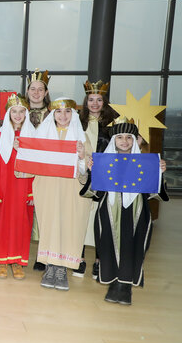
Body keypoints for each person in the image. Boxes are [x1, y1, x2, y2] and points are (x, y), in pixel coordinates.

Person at [82, 119, 168, 305]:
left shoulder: (146, 162)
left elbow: (156, 192)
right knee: (107, 245)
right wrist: (93, 172)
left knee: (132, 247)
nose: (124, 141)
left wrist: (159, 172)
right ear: (113, 140)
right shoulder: (104, 161)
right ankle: (113, 283)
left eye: (129, 137)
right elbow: (95, 193)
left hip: (136, 211)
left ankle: (125, 286)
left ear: (136, 140)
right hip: (109, 210)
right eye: (119, 137)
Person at [27, 97, 91, 291]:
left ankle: (62, 268)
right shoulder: (43, 134)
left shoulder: (83, 137)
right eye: (59, 112)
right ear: (53, 114)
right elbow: (31, 161)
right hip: (48, 188)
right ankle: (50, 266)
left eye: (68, 112)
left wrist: (82, 157)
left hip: (72, 191)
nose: (63, 116)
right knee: (51, 225)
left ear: (74, 114)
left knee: (68, 224)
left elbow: (86, 171)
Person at [0, 94, 35, 280]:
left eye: (22, 111)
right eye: (14, 111)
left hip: (23, 186)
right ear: (8, 113)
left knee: (22, 224)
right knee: (1, 224)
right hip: (4, 187)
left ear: (26, 113)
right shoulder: (0, 135)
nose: (18, 115)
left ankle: (18, 262)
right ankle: (2, 262)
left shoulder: (32, 135)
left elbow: (37, 164)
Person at [78, 80, 118, 278]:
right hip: (83, 174)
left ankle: (99, 260)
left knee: (101, 218)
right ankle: (80, 258)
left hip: (106, 177)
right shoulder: (78, 121)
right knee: (82, 217)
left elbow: (125, 144)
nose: (94, 104)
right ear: (86, 102)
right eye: (91, 100)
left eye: (99, 100)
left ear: (105, 102)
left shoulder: (113, 123)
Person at [26, 69, 51, 271]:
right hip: (23, 168)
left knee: (45, 211)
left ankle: (43, 255)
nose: (36, 93)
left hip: (45, 168)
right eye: (32, 89)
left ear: (45, 92)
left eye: (39, 89)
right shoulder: (17, 112)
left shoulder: (53, 115)